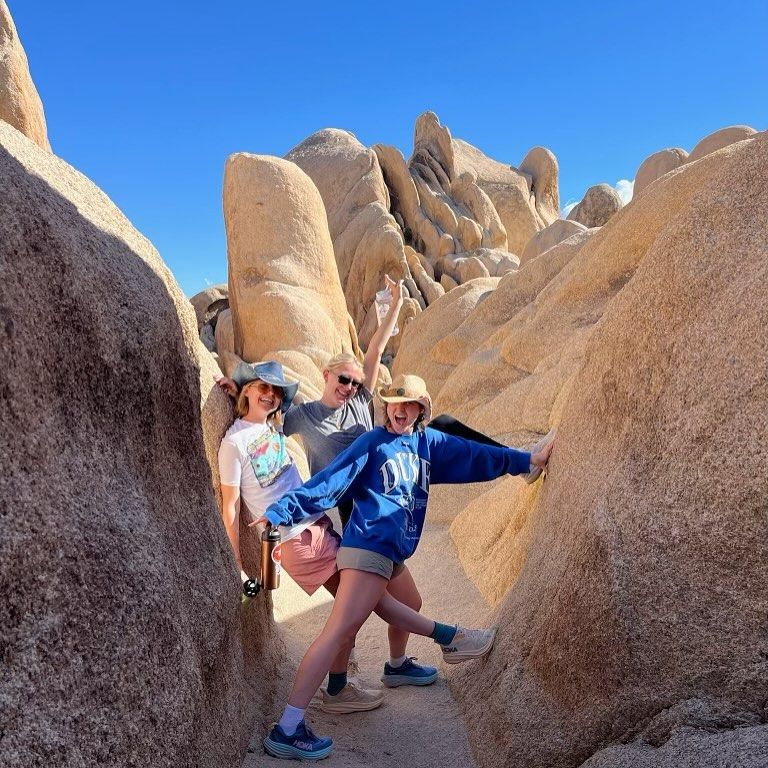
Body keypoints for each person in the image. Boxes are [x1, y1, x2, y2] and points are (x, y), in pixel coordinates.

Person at [256, 373, 555, 760]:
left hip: (392, 551)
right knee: (337, 632)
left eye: (407, 403)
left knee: (409, 601)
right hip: (367, 548)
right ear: (386, 407)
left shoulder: (426, 444)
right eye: (393, 403)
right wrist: (281, 512)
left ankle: (396, 666)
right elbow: (328, 483)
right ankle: (288, 727)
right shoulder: (373, 443)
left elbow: (476, 455)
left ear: (420, 409)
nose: (399, 410)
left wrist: (527, 460)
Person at [218, 361, 501, 720]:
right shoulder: (234, 443)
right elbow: (230, 507)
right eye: (261, 388)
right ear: (247, 390)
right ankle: (449, 638)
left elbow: (369, 362)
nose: (270, 396)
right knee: (363, 606)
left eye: (275, 392)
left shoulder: (270, 427)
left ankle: (351, 683)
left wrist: (234, 390)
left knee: (375, 603)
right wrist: (235, 566)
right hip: (297, 539)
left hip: (318, 526)